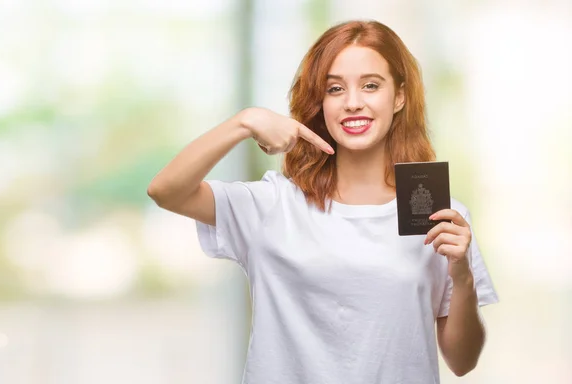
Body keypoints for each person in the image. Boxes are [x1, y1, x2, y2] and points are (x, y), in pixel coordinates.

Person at [147, 19, 499, 384]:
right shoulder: (273, 204)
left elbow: (462, 361)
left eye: (371, 85)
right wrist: (244, 122)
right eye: (335, 89)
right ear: (320, 102)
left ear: (399, 96)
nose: (352, 103)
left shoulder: (439, 214)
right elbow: (166, 190)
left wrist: (462, 274)